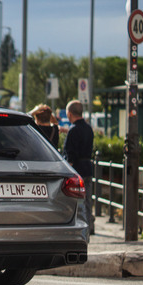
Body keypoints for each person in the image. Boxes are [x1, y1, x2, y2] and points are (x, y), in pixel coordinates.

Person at [63, 100, 94, 234]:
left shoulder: (73, 130)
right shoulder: (88, 128)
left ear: (69, 113)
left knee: (76, 202)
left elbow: (70, 155)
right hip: (88, 167)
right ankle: (90, 227)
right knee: (88, 200)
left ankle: (82, 229)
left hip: (77, 170)